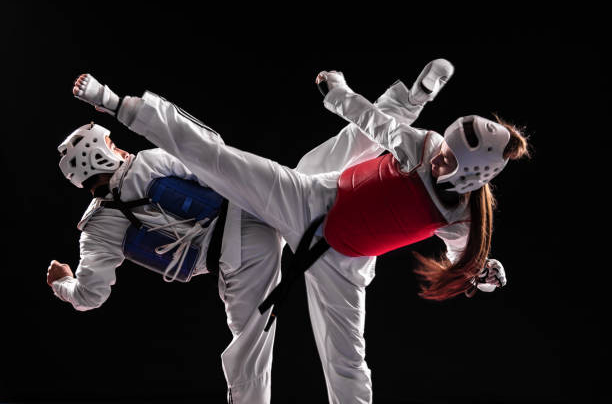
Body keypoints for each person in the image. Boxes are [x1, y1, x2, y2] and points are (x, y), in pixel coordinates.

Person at [50, 60, 458, 403]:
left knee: (250, 355)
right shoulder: (145, 164)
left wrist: (62, 284)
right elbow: (206, 149)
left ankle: (406, 103)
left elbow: (91, 296)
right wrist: (117, 104)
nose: (121, 149)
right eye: (114, 145)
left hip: (238, 261)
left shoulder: (95, 231)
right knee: (337, 155)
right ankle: (407, 102)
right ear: (106, 152)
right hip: (254, 203)